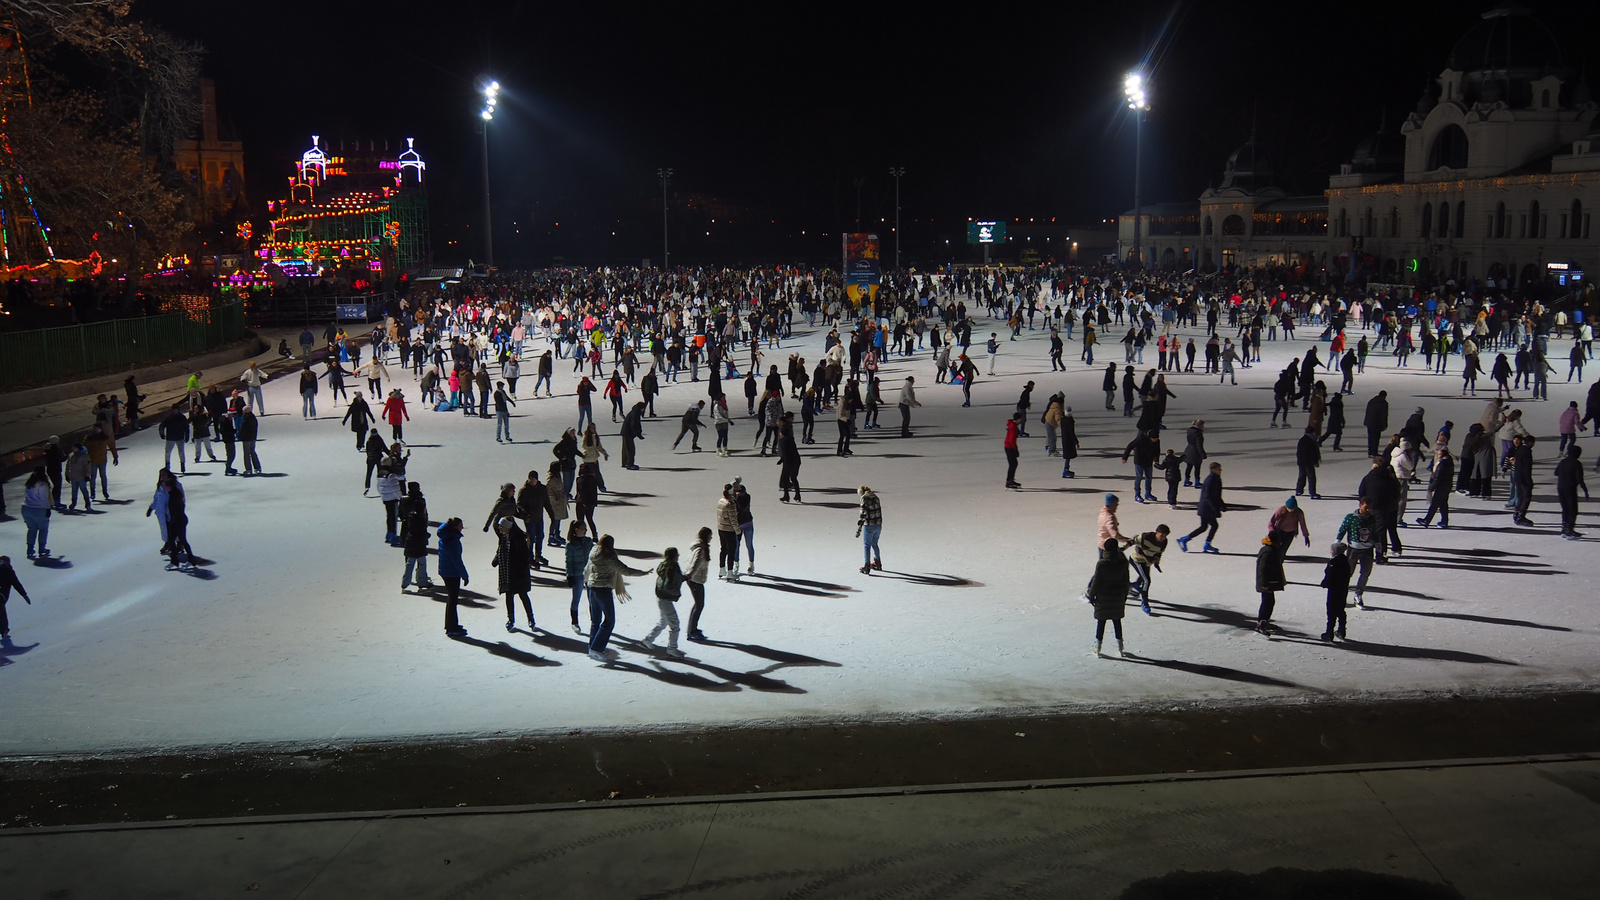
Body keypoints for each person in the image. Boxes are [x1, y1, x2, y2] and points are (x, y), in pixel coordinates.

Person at [583, 534, 649, 663]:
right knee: (609, 620)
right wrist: (643, 573)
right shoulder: (608, 558)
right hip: (603, 590)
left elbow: (586, 569)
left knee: (595, 620)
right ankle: (596, 648)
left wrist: (587, 582)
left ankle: (592, 647)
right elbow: (626, 570)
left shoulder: (593, 553)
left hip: (592, 588)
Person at [641, 546, 688, 657]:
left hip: (660, 597)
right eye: (677, 554)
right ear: (674, 556)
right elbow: (669, 584)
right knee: (674, 625)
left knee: (663, 622)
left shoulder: (664, 565)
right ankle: (672, 648)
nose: (679, 556)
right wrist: (676, 593)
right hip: (666, 600)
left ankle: (648, 640)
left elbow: (674, 578)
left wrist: (684, 578)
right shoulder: (673, 567)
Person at [1088, 539, 1130, 657]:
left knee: (1101, 622)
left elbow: (1096, 581)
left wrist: (1091, 595)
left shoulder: (1102, 563)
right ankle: (1120, 645)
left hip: (1103, 597)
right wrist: (1124, 595)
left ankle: (1098, 646)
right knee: (1117, 621)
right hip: (1117, 596)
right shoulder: (1122, 562)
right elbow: (1126, 581)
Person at [492, 516, 535, 632]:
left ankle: (531, 618)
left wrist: (522, 571)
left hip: (519, 574)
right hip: (507, 573)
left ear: (508, 527)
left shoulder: (519, 540)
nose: (500, 528)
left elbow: (526, 557)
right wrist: (496, 560)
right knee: (509, 596)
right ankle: (510, 619)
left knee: (523, 596)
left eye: (502, 526)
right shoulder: (504, 537)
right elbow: (500, 549)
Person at [1336, 497, 1379, 607]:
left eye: (1370, 508)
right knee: (1347, 574)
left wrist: (1378, 544)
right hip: (1353, 550)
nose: (1368, 510)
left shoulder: (1372, 518)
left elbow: (1375, 532)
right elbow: (1343, 529)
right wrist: (1337, 541)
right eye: (1366, 508)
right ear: (1360, 505)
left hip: (1368, 550)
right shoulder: (1351, 518)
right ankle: (1341, 596)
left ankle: (1358, 595)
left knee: (1365, 574)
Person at [1178, 462, 1225, 553]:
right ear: (1213, 469)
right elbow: (1208, 496)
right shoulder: (1210, 480)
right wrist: (1214, 508)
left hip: (1208, 507)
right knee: (1212, 526)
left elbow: (1217, 494)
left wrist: (1222, 505)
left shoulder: (1216, 479)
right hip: (1206, 508)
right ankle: (1203, 543)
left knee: (1205, 527)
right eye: (1219, 469)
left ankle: (1186, 539)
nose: (1220, 470)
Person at [436, 518, 469, 637]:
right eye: (461, 525)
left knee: (452, 599)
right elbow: (457, 561)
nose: (462, 527)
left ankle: (451, 624)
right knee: (453, 599)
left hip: (445, 570)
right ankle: (452, 627)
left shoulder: (444, 536)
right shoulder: (453, 541)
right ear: (455, 527)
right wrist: (465, 575)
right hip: (452, 573)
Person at [1127, 525, 1169, 615]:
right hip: (1137, 560)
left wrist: (1157, 562)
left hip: (1147, 562)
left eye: (1165, 536)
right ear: (1156, 532)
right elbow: (1132, 541)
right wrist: (1121, 549)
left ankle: (1131, 586)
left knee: (1143, 577)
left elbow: (1158, 553)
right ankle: (1144, 602)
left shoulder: (1164, 542)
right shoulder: (1146, 537)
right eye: (1161, 535)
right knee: (1147, 580)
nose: (1163, 538)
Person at [399, 483, 434, 591]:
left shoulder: (404, 500)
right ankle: (421, 578)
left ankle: (406, 581)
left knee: (409, 558)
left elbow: (400, 513)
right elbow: (425, 516)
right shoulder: (420, 501)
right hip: (418, 539)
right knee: (421, 560)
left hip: (407, 530)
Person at [564, 521, 595, 633]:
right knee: (576, 598)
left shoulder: (588, 541)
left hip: (589, 573)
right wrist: (569, 575)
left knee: (592, 599)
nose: (585, 530)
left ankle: (594, 622)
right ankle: (574, 622)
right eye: (583, 528)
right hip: (577, 574)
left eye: (586, 528)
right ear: (576, 530)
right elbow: (569, 561)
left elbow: (595, 553)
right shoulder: (570, 545)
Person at [1254, 531, 1289, 634]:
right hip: (1266, 583)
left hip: (1269, 582)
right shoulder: (1268, 551)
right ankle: (1261, 624)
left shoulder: (1270, 549)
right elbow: (1262, 568)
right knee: (1267, 603)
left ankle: (1264, 621)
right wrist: (1264, 583)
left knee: (1269, 602)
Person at [1555, 443, 1590, 540]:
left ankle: (1564, 528)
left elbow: (1556, 472)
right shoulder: (1577, 463)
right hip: (1570, 489)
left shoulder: (1563, 462)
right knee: (1573, 510)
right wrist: (1585, 489)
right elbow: (1579, 478)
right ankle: (1569, 530)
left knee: (1565, 508)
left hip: (1560, 487)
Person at [1320, 542, 1353, 642]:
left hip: (1334, 590)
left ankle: (1329, 632)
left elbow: (1330, 576)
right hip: (1343, 589)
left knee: (1331, 611)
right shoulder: (1345, 561)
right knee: (1340, 610)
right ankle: (1341, 630)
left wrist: (1324, 583)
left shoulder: (1333, 563)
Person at [685, 527, 713, 642]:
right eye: (710, 536)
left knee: (698, 604)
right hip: (695, 580)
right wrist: (690, 575)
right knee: (699, 605)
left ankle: (692, 629)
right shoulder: (701, 549)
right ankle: (692, 631)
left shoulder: (699, 547)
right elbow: (695, 563)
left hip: (694, 579)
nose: (711, 538)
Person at [1416, 447, 1454, 528]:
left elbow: (1438, 478)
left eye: (1439, 454)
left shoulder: (1442, 464)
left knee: (1434, 504)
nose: (1437, 455)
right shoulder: (1448, 461)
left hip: (1441, 487)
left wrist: (1431, 488)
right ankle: (1444, 521)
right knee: (1443, 504)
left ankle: (1427, 520)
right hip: (1446, 486)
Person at [21, 467, 52, 559]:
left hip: (26, 508)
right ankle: (42, 549)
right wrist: (48, 508)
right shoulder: (42, 484)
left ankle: (30, 549)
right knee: (43, 529)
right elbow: (43, 498)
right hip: (38, 509)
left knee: (31, 529)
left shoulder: (29, 483)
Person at [0, 555, 31, 639]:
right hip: (2, 595)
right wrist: (24, 595)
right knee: (1, 612)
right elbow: (16, 584)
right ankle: (4, 631)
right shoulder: (8, 570)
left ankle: (4, 630)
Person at [716, 483, 741, 581]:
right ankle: (730, 572)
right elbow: (733, 520)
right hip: (729, 530)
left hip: (721, 528)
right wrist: (738, 531)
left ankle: (722, 569)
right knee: (731, 551)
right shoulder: (730, 504)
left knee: (723, 549)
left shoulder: (720, 501)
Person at [856, 484, 883, 574]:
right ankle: (877, 562)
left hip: (869, 525)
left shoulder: (864, 498)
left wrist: (859, 526)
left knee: (867, 545)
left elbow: (863, 513)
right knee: (875, 543)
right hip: (878, 524)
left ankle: (867, 566)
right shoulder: (876, 497)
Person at [1295, 426, 1322, 498]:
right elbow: (1312, 453)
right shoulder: (1311, 440)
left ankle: (1299, 490)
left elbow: (1298, 452)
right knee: (1311, 477)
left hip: (1301, 461)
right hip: (1308, 462)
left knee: (1302, 476)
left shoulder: (1302, 439)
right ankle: (1312, 493)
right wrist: (1315, 462)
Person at [1364, 390, 1389, 457]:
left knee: (1370, 437)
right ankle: (1374, 452)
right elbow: (1384, 415)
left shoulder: (1372, 401)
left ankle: (1370, 452)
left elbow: (1367, 411)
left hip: (1369, 422)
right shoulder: (1383, 403)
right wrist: (1385, 425)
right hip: (1377, 423)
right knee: (1376, 438)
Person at [1004, 411, 1023, 489]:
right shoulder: (1013, 427)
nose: (1021, 420)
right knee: (1013, 464)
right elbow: (1011, 440)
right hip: (1009, 447)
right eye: (1020, 419)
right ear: (1018, 419)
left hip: (1009, 446)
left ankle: (1010, 480)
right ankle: (1009, 481)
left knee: (1013, 464)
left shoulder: (1013, 425)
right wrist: (1015, 450)